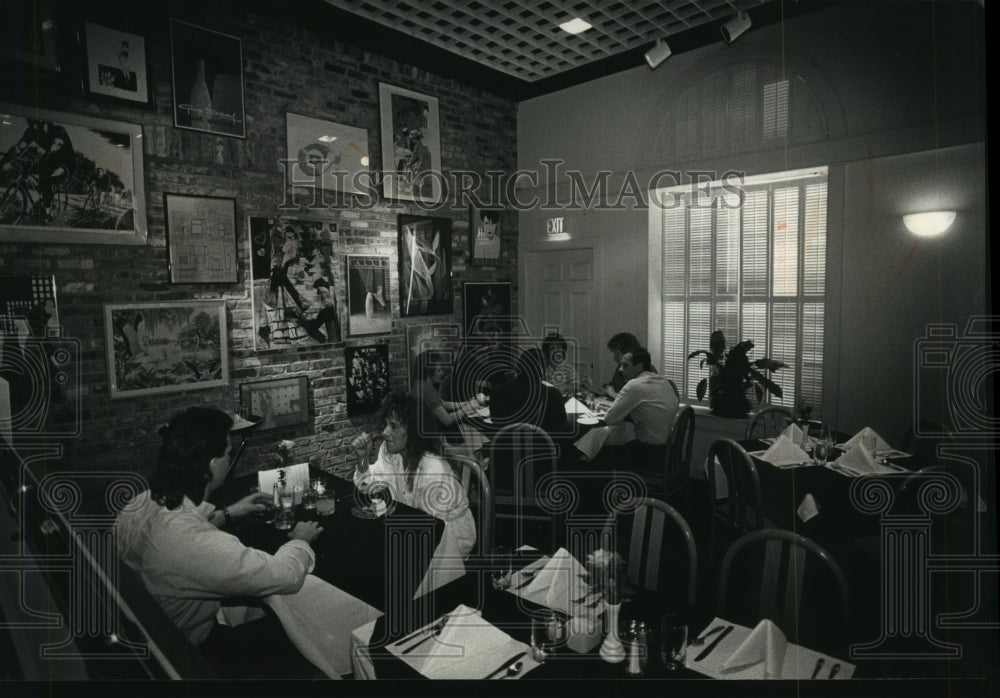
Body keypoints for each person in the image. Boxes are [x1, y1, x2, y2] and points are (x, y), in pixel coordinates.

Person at [115, 407, 326, 678]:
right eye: (228, 453)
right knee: (294, 638)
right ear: (213, 465)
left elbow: (176, 534)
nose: (231, 458)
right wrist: (300, 540)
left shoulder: (140, 501)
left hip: (147, 634)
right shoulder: (194, 545)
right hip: (182, 655)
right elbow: (284, 576)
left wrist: (229, 513)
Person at [350, 390, 475, 596]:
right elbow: (367, 485)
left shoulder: (433, 468)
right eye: (386, 424)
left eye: (394, 426)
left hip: (449, 542)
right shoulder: (391, 453)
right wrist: (363, 459)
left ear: (415, 430)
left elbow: (433, 534)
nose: (386, 432)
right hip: (416, 533)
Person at [575, 348, 679, 468]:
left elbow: (609, 419)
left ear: (639, 367)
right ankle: (585, 458)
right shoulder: (663, 381)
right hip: (667, 447)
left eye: (625, 366)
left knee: (603, 432)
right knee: (607, 432)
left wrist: (611, 409)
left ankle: (584, 465)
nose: (620, 370)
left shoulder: (634, 385)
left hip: (648, 452)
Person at [0, 119, 75, 218]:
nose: (33, 126)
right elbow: (19, 147)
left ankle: (47, 214)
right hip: (48, 161)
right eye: (30, 123)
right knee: (28, 171)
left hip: (65, 163)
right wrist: (4, 161)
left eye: (35, 123)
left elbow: (57, 144)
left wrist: (46, 151)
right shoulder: (32, 131)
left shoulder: (58, 130)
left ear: (43, 122)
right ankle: (42, 197)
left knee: (47, 180)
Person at [411, 349, 485, 445]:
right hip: (432, 441)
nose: (442, 373)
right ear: (428, 372)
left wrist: (465, 403)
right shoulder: (426, 389)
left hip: (427, 437)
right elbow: (447, 420)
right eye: (439, 370)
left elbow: (442, 404)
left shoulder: (419, 384)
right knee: (475, 438)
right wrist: (469, 407)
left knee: (473, 437)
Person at [489, 347, 568, 433]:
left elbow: (495, 421)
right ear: (544, 369)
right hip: (542, 445)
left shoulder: (497, 392)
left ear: (519, 365)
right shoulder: (553, 395)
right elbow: (561, 422)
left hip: (506, 445)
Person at [584, 332, 643, 400]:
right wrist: (591, 388)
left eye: (616, 353)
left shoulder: (643, 370)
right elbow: (609, 389)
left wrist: (614, 394)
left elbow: (635, 403)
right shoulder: (622, 367)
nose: (614, 358)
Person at [541, 332, 579, 398]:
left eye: (559, 348)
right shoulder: (544, 367)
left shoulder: (568, 368)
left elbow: (576, 386)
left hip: (563, 400)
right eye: (552, 348)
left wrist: (566, 387)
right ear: (547, 352)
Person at [406, 128, 433, 199]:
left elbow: (423, 161)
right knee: (415, 184)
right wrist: (409, 164)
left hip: (424, 169)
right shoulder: (417, 146)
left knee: (421, 187)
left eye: (412, 139)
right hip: (420, 168)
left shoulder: (423, 147)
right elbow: (414, 156)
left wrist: (416, 170)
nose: (412, 141)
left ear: (415, 139)